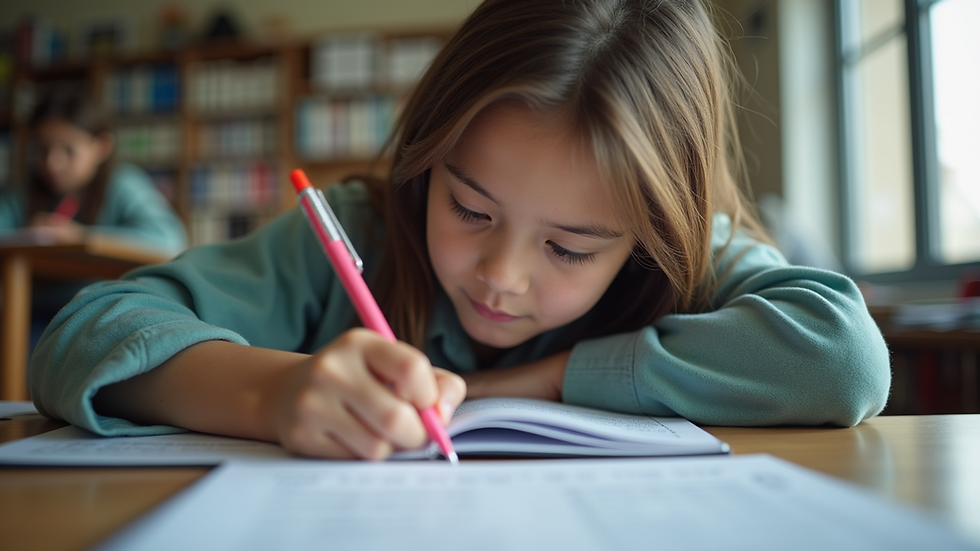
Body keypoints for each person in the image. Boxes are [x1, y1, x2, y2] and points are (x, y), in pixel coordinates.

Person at [31, 0, 890, 460]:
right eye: (470, 208)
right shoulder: (360, 233)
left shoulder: (684, 259)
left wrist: (547, 382)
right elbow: (81, 333)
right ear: (426, 158)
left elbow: (840, 355)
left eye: (569, 247)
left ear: (646, 236)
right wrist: (274, 393)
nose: (500, 274)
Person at [0, 87, 187, 352]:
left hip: (99, 314)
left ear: (101, 147)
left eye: (68, 150)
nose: (53, 163)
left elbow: (171, 241)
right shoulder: (23, 193)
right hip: (29, 313)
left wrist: (82, 236)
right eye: (42, 149)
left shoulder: (123, 185)